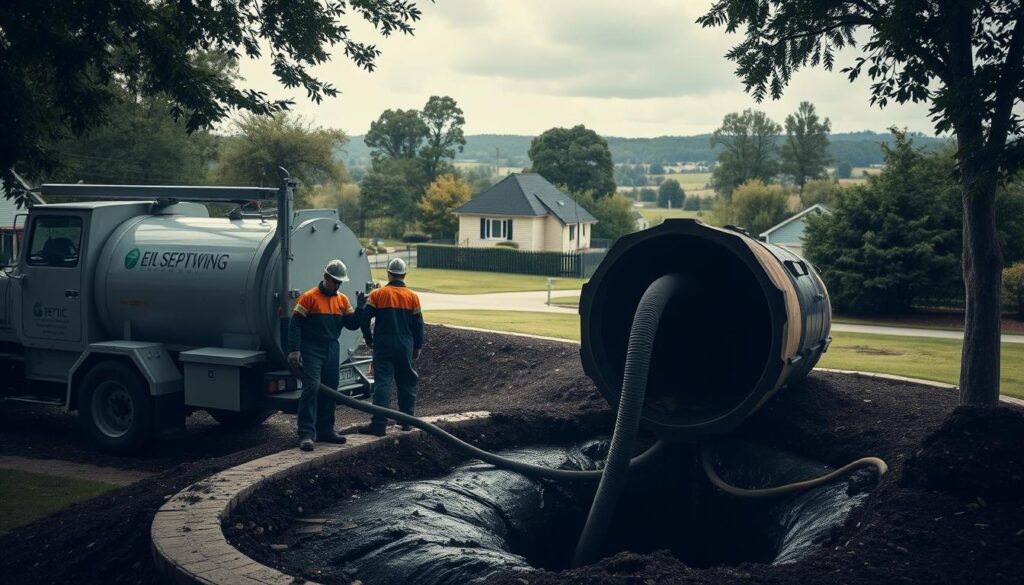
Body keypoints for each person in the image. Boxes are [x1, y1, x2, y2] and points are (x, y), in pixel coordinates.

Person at [287, 259, 366, 451]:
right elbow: (295, 324)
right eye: (335, 281)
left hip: (332, 347)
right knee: (312, 388)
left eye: (340, 282)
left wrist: (361, 308)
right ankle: (306, 433)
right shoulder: (309, 297)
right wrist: (294, 350)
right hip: (311, 347)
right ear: (325, 278)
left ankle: (326, 430)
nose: (337, 285)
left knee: (331, 387)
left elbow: (352, 324)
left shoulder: (342, 300)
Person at [357, 257, 423, 436]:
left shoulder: (378, 295)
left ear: (389, 273)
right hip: (405, 345)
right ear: (404, 275)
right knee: (406, 382)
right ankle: (407, 421)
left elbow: (364, 319)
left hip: (383, 345)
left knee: (383, 383)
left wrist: (369, 339)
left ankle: (379, 424)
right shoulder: (412, 297)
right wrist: (417, 347)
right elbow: (418, 325)